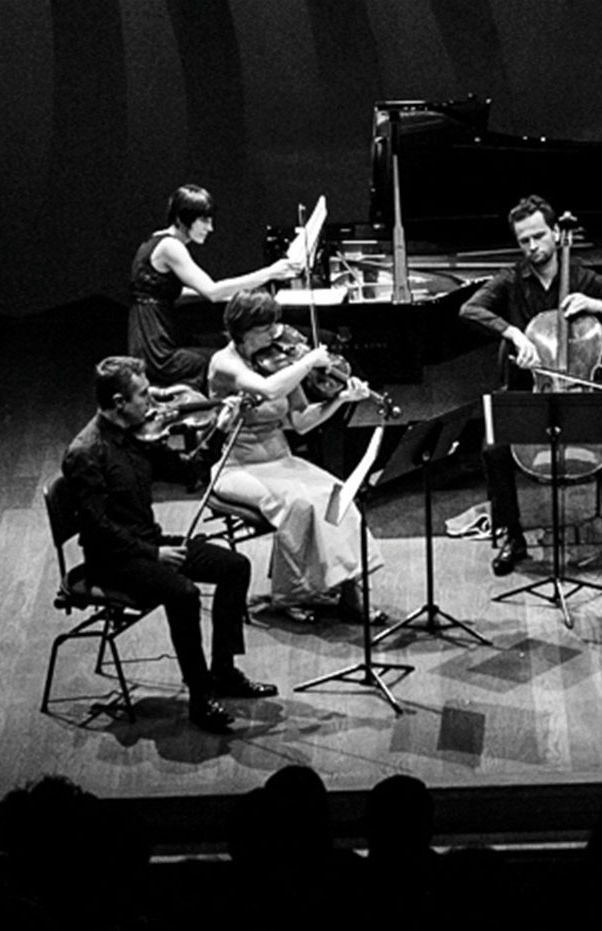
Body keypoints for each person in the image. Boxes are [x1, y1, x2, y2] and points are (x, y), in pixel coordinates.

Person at [61, 355, 273, 733]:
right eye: (143, 395)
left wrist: (221, 430)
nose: (153, 403)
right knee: (184, 594)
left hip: (149, 543)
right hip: (114, 560)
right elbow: (96, 527)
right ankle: (200, 696)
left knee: (235, 567)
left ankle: (223, 671)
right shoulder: (86, 453)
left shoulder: (140, 435)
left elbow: (188, 471)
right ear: (118, 403)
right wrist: (152, 554)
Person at [458, 195, 602, 575]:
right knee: (492, 447)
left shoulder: (583, 279)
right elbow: (469, 309)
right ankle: (512, 535)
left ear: (555, 232)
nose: (532, 247)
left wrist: (597, 306)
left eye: (538, 236)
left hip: (579, 393)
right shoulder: (511, 279)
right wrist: (514, 333)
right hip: (528, 392)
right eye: (524, 241)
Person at [206, 290, 386, 624]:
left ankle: (350, 589)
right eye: (266, 329)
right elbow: (268, 390)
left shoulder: (278, 363)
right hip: (238, 466)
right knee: (298, 505)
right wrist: (307, 363)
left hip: (280, 460)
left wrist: (340, 399)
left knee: (337, 495)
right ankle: (291, 595)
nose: (275, 335)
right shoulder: (225, 363)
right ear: (244, 331)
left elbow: (301, 422)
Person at [127, 184, 300, 387]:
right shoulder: (171, 247)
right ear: (183, 218)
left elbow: (172, 290)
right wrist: (270, 272)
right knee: (226, 360)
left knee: (222, 344)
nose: (210, 228)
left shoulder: (159, 239)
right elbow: (212, 291)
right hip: (157, 347)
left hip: (150, 333)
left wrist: (234, 294)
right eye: (204, 220)